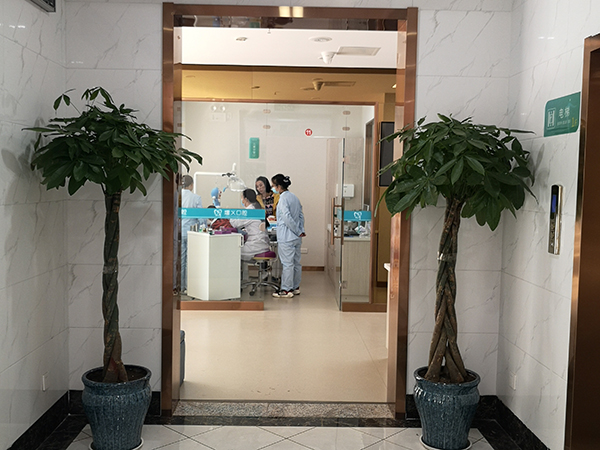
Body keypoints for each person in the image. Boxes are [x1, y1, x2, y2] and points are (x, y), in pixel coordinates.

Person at [270, 174, 305, 298]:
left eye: (273, 186)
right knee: (296, 263)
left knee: (287, 264)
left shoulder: (283, 199)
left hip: (287, 236)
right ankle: (295, 287)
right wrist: (300, 231)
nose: (272, 188)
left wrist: (295, 230)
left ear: (279, 187)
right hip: (296, 237)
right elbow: (301, 216)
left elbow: (286, 217)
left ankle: (286, 290)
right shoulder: (294, 197)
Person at [229, 189, 271, 281]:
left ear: (246, 199)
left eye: (242, 198)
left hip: (255, 247)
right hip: (263, 245)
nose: (242, 200)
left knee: (232, 252)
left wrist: (230, 215)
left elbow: (235, 223)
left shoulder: (249, 211)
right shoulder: (257, 209)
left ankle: (238, 281)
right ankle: (245, 278)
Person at [180, 175, 205, 292]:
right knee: (191, 261)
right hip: (191, 233)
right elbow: (201, 218)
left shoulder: (177, 196)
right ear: (191, 185)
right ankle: (189, 287)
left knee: (181, 260)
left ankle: (180, 287)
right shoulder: (196, 198)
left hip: (179, 232)